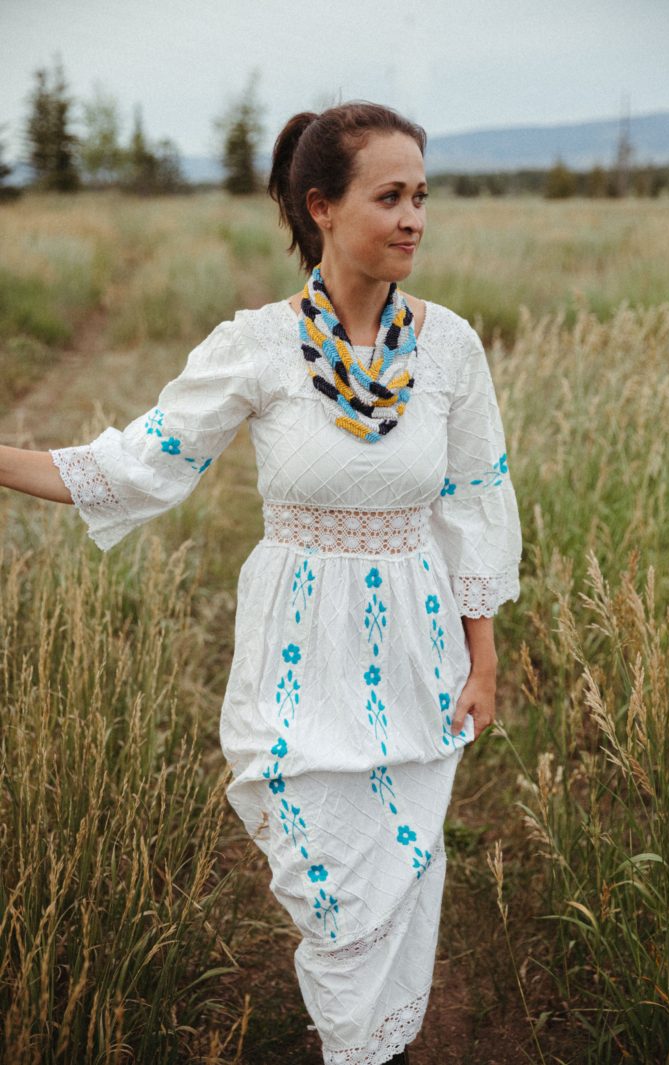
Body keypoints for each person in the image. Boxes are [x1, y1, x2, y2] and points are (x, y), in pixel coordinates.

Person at [0, 101, 522, 1065]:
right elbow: (135, 464)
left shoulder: (448, 348)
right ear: (321, 206)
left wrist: (482, 659)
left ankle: (372, 1048)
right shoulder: (258, 345)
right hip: (298, 652)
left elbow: (475, 502)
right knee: (331, 888)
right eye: (390, 196)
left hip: (415, 649)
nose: (413, 217)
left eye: (422, 196)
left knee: (403, 868)